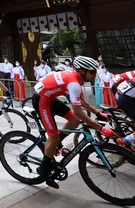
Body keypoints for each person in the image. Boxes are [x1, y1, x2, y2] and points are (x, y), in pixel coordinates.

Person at [32, 56, 115, 188]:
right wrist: (100, 128)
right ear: (82, 71)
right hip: (41, 99)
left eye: (95, 72)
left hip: (50, 97)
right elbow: (78, 111)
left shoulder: (76, 79)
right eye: (92, 72)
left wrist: (98, 113)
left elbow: (82, 102)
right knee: (53, 137)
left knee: (74, 121)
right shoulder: (74, 83)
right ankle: (43, 169)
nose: (94, 76)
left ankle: (56, 143)